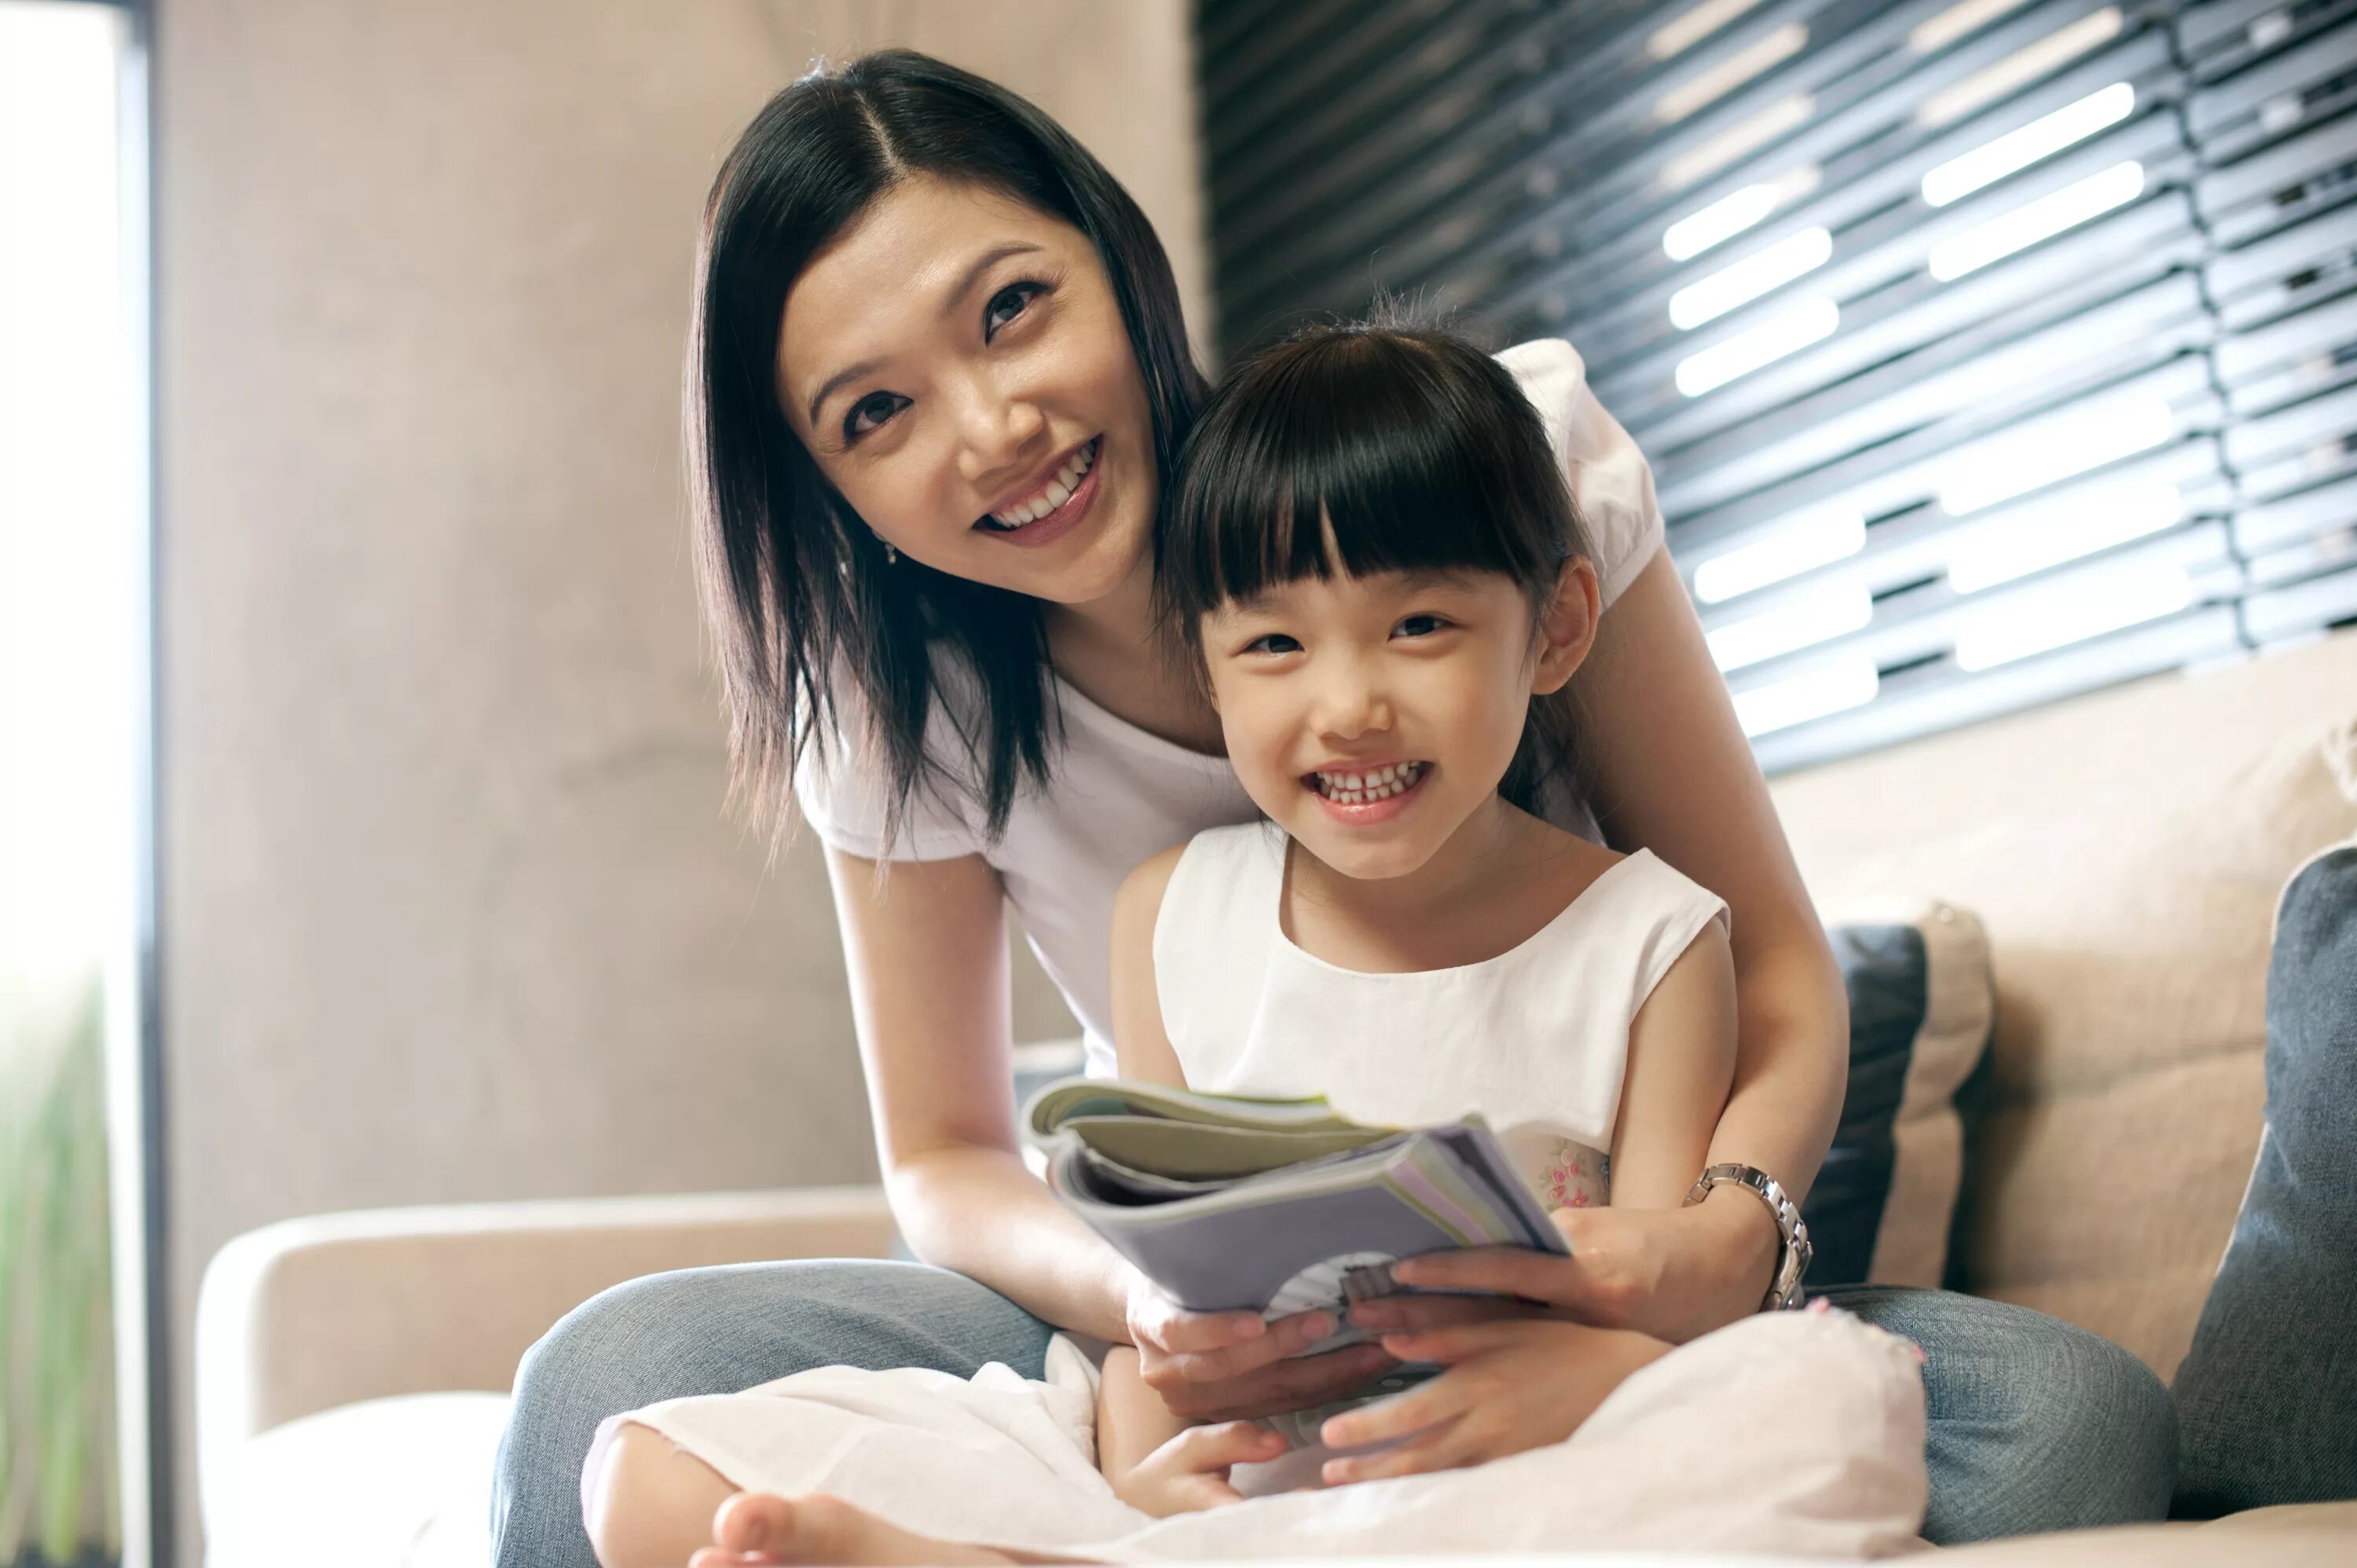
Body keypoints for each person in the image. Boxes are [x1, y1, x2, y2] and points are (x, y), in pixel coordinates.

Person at [490, 49, 2175, 1566]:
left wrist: (1703, 1255)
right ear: (827, 489)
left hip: (1622, 1232)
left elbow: (1780, 965)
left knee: (2070, 1425)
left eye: (1011, 310)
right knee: (603, 1389)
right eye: (876, 413)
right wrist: (1151, 1303)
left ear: (1116, 260)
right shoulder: (901, 709)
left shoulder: (1486, 466)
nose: (992, 428)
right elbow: (946, 1154)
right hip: (1215, 1314)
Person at [574, 321, 1932, 1568]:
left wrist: (1604, 1381)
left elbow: (1654, 1294)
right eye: (1276, 645)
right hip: (1249, 1469)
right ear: (1210, 667)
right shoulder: (1172, 912)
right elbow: (1149, 1293)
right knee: (633, 1468)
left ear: (1558, 627)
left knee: (1830, 1393)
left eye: (1418, 628)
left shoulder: (1654, 940)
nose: (1348, 705)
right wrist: (1143, 1466)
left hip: (1515, 1456)